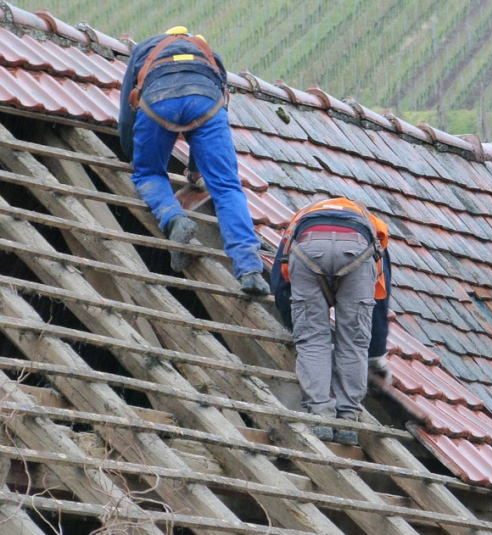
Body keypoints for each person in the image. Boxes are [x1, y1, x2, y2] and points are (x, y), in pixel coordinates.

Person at [118, 26, 270, 295]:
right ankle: (250, 270)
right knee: (226, 187)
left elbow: (127, 112)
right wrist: (197, 170)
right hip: (206, 103)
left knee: (149, 174)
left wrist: (134, 155)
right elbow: (214, 108)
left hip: (158, 100)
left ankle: (174, 219)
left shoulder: (145, 49)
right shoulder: (208, 53)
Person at [271, 197, 392, 445]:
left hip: (307, 248)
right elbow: (380, 293)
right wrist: (376, 351)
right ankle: (347, 420)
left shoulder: (299, 219)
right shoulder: (373, 225)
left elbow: (280, 283)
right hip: (359, 250)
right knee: (353, 342)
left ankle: (320, 417)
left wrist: (295, 327)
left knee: (313, 340)